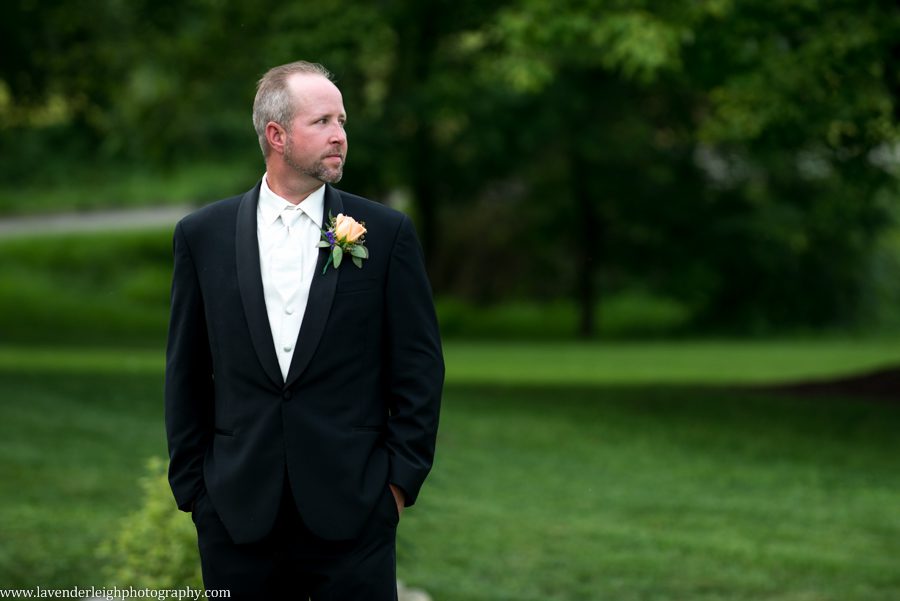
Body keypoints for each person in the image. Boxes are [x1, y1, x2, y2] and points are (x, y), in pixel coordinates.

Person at [164, 60, 444, 599]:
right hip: (236, 513)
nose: (339, 135)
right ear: (276, 134)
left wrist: (397, 485)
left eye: (342, 121)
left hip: (356, 511)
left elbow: (419, 367)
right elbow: (186, 370)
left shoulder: (385, 234)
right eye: (321, 122)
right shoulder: (203, 236)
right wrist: (196, 491)